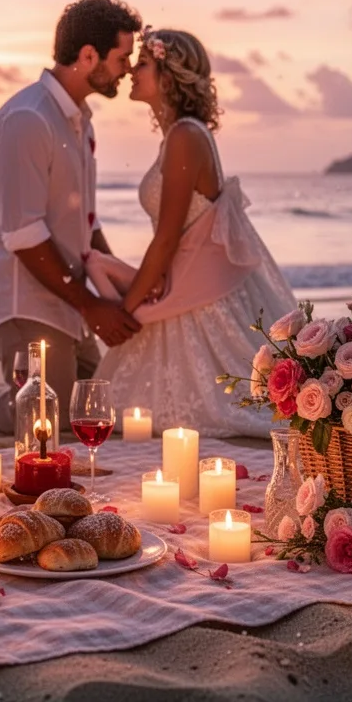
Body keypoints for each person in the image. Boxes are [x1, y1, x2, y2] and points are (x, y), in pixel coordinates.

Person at [90, 27, 297, 437]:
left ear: (169, 77)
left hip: (201, 298)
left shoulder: (186, 135)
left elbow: (167, 239)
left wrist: (125, 311)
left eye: (143, 64)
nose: (132, 69)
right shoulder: (177, 135)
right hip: (184, 285)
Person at [0, 0, 144, 431]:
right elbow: (24, 234)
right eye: (122, 57)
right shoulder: (28, 120)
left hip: (67, 299)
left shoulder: (79, 119)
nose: (127, 69)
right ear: (89, 56)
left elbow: (86, 220)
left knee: (99, 406)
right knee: (51, 423)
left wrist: (123, 286)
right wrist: (92, 307)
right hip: (25, 305)